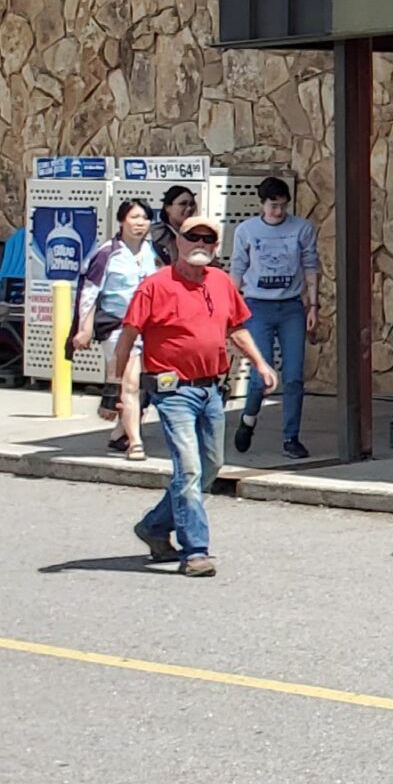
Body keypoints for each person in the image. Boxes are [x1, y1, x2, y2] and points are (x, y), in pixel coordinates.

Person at [118, 218, 276, 577]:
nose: (201, 243)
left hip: (210, 388)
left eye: (209, 238)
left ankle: (155, 526)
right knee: (188, 468)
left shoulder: (220, 282)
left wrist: (261, 364)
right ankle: (196, 551)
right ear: (178, 240)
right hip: (172, 391)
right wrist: (119, 389)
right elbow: (129, 335)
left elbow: (236, 327)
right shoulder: (154, 286)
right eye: (193, 237)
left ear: (217, 246)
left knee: (210, 467)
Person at [230, 176, 320, 458]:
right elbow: (237, 268)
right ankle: (248, 418)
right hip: (258, 305)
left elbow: (310, 265)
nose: (277, 212)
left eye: (282, 206)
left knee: (293, 376)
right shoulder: (246, 230)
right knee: (261, 375)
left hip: (291, 306)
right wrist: (230, 309)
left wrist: (313, 305)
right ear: (262, 204)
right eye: (272, 206)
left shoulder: (302, 229)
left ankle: (290, 437)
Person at [83, 199, 160, 456]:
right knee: (130, 384)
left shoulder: (153, 252)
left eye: (145, 218)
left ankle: (120, 432)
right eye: (134, 218)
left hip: (148, 326)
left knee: (143, 384)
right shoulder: (107, 253)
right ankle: (135, 442)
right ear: (121, 221)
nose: (140, 224)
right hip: (118, 326)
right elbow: (90, 292)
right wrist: (84, 326)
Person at [151, 184, 200, 268]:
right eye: (183, 204)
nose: (189, 208)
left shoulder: (201, 234)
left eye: (192, 204)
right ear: (168, 208)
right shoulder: (155, 234)